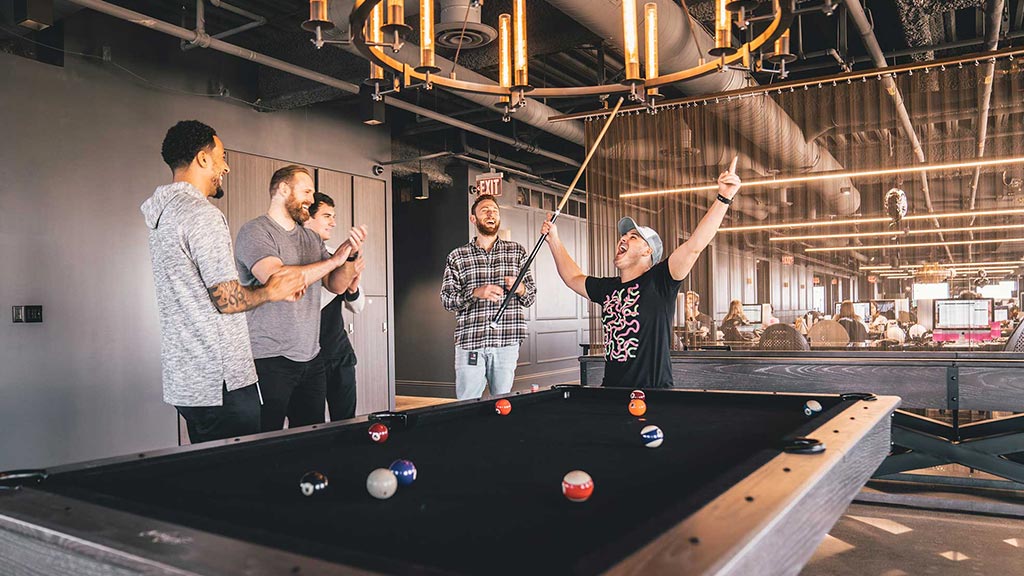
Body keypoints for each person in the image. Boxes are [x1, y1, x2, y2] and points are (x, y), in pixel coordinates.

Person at [142, 121, 306, 444]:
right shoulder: (202, 215)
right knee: (237, 481)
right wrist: (272, 290)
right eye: (222, 156)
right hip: (223, 383)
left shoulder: (161, 214)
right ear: (203, 159)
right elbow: (226, 299)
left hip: (188, 383)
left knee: (208, 474)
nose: (226, 167)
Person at [541, 158, 742, 388]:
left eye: (633, 237)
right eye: (623, 237)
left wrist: (724, 198)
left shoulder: (661, 281)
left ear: (648, 250)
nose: (623, 238)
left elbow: (695, 245)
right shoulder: (609, 289)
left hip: (654, 394)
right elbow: (572, 278)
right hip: (612, 392)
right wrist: (554, 240)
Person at [235, 165, 367, 431]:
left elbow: (336, 286)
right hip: (269, 359)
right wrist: (334, 261)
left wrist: (349, 256)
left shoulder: (310, 238)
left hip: (311, 358)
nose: (310, 198)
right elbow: (278, 281)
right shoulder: (256, 232)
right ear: (283, 189)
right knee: (266, 439)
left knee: (309, 438)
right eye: (306, 191)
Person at [441, 194, 537, 400]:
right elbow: (447, 300)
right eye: (485, 210)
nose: (491, 213)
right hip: (470, 341)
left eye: (494, 210)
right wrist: (475, 293)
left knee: (502, 404)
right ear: (473, 219)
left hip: (507, 341)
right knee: (466, 405)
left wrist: (520, 289)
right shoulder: (457, 256)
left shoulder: (517, 252)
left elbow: (530, 297)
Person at [304, 192, 365, 421]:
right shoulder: (300, 261)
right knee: (311, 423)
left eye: (334, 216)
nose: (333, 222)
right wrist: (337, 274)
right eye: (327, 216)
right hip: (309, 359)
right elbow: (306, 303)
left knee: (347, 420)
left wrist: (352, 288)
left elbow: (358, 307)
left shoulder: (337, 256)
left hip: (339, 354)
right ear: (307, 218)